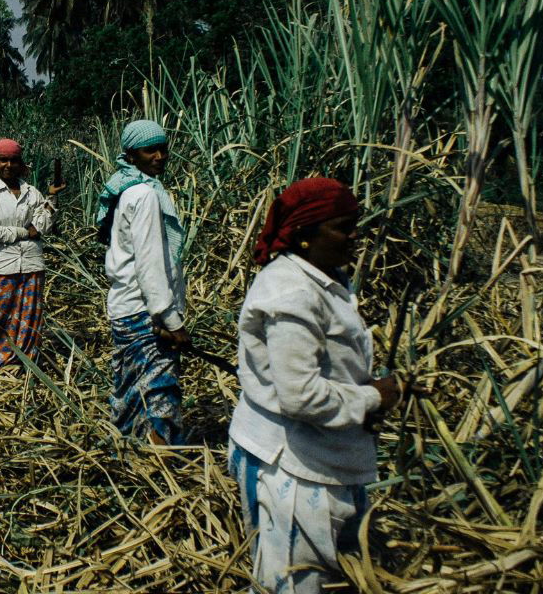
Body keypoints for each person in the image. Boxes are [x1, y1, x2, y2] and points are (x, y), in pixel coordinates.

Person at [228, 177, 402, 593]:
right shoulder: (291, 292)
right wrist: (374, 397)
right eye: (343, 227)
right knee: (291, 583)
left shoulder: (325, 278)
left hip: (318, 455)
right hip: (290, 463)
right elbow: (300, 395)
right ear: (304, 236)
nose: (355, 237)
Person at [98, 120, 189, 445]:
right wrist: (171, 319)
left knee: (133, 389)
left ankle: (131, 455)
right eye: (151, 150)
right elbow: (150, 266)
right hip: (145, 312)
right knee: (158, 394)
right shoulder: (145, 196)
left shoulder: (125, 190)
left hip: (126, 308)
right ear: (131, 155)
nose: (160, 156)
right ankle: (160, 464)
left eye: (164, 149)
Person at [0, 138, 64, 371]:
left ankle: (22, 366)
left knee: (28, 320)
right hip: (1, 266)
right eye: (3, 160)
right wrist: (23, 231)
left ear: (20, 164)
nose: (8, 165)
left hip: (32, 264)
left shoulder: (32, 192)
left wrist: (52, 197)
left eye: (14, 160)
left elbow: (43, 225)